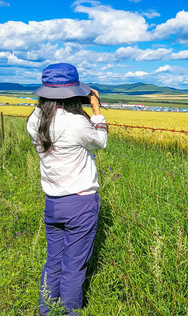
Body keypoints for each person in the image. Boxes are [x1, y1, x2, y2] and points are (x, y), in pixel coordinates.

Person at [27, 63, 108, 315]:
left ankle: (47, 309)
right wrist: (95, 110)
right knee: (74, 265)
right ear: (74, 93)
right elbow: (100, 141)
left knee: (54, 260)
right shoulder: (75, 123)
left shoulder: (34, 119)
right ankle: (70, 311)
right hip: (81, 203)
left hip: (53, 201)